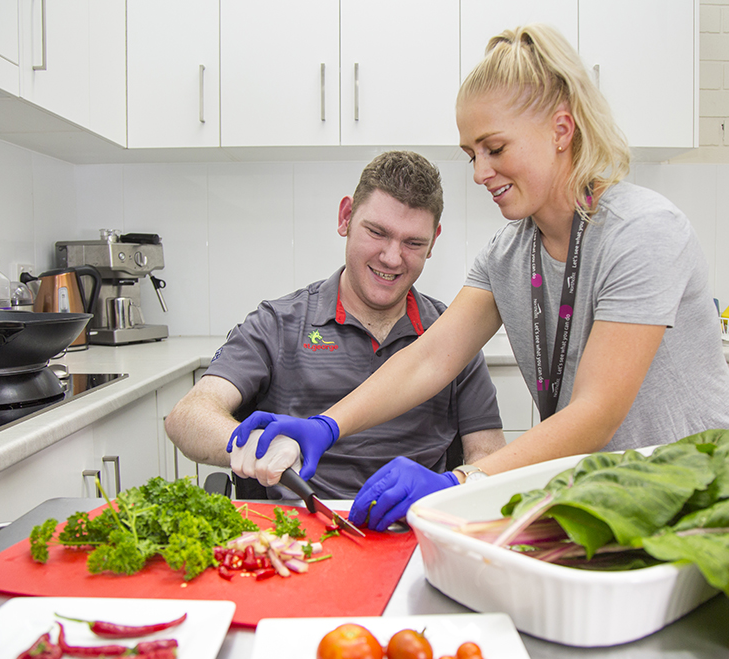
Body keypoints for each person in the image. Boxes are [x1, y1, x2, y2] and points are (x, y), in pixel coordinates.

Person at [228, 23, 729, 530]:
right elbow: (430, 357)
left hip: (708, 494)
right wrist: (327, 425)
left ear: (561, 130)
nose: (479, 172)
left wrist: (459, 480)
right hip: (620, 497)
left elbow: (597, 412)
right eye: (471, 154)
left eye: (495, 148)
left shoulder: (641, 232)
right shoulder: (509, 254)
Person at [165, 150, 505, 499]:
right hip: (301, 530)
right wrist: (252, 444)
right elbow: (187, 416)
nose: (392, 257)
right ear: (346, 218)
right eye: (377, 232)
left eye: (413, 242)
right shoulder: (279, 325)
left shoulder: (453, 336)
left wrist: (454, 486)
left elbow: (488, 453)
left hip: (413, 526)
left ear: (433, 241)